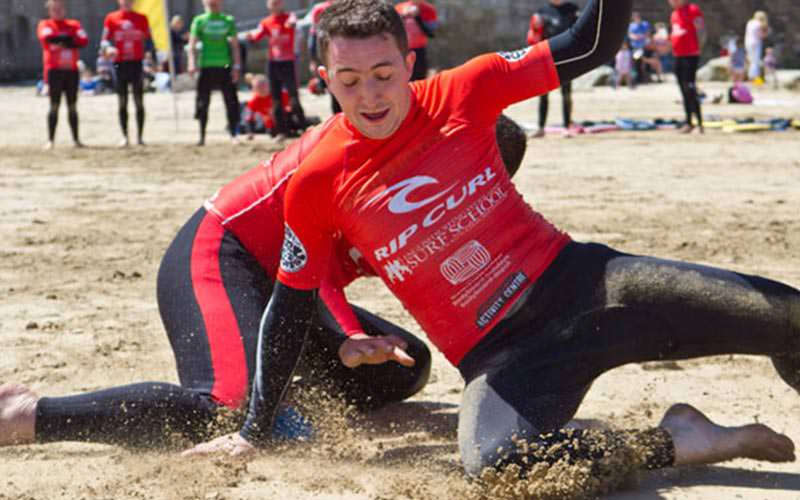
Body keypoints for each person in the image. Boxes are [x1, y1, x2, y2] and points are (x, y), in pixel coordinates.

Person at [183, 0, 799, 484]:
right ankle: (682, 440)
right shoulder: (316, 181)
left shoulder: (465, 90)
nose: (369, 95)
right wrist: (253, 430)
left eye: (382, 74)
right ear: (324, 80)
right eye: (349, 80)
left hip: (589, 289)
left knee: (789, 316)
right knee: (499, 468)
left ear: (409, 64)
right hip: (502, 358)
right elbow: (288, 307)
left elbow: (589, 43)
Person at [0, 111, 527, 450]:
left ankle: (275, 401)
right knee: (222, 409)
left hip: (287, 286)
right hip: (222, 253)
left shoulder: (443, 200)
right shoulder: (360, 162)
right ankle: (27, 415)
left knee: (403, 368)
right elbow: (302, 261)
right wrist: (346, 336)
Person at [247, 0, 308, 139]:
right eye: (272, 3)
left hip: (288, 61)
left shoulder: (289, 17)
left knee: (293, 96)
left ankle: (304, 127)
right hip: (273, 63)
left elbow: (293, 23)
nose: (275, 5)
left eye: (278, 2)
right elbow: (258, 35)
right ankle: (281, 131)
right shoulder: (266, 22)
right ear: (268, 5)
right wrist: (251, 37)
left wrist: (291, 25)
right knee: (275, 98)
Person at [188, 0, 242, 146]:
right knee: (202, 102)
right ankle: (202, 136)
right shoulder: (199, 20)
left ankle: (233, 134)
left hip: (224, 65)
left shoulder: (227, 20)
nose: (213, 3)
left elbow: (235, 45)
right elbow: (192, 44)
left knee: (231, 101)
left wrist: (236, 66)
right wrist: (191, 63)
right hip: (206, 66)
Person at [102, 0, 156, 147]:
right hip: (119, 64)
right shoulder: (111, 18)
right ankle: (125, 136)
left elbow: (149, 39)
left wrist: (152, 55)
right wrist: (108, 49)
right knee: (122, 101)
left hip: (136, 63)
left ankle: (140, 136)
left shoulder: (142, 18)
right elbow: (104, 41)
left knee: (139, 100)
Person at [37, 0, 88, 150]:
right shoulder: (45, 25)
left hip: (71, 70)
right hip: (54, 71)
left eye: (59, 8)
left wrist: (62, 42)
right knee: (54, 105)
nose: (57, 11)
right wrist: (70, 41)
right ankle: (51, 140)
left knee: (72, 106)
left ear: (64, 10)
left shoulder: (74, 24)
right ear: (49, 11)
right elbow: (47, 39)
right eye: (54, 9)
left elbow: (83, 41)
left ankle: (76, 139)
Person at [527, 0, 579, 138]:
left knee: (566, 93)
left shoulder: (572, 9)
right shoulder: (542, 11)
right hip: (546, 57)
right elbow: (534, 36)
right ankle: (541, 127)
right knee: (543, 94)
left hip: (567, 56)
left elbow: (579, 31)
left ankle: (566, 127)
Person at [669, 0, 705, 134]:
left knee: (689, 87)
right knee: (682, 90)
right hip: (678, 54)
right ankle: (688, 121)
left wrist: (698, 48)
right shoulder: (674, 14)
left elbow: (701, 30)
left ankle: (699, 123)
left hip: (691, 55)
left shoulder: (692, 10)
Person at [395, 0, 438, 81]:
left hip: (419, 50)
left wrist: (418, 17)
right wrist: (403, 16)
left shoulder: (428, 9)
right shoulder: (399, 8)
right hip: (401, 50)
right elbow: (392, 28)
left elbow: (431, 31)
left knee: (419, 79)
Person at [244, 74, 291, 139]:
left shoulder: (281, 94)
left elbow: (290, 108)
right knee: (272, 132)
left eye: (263, 86)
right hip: (271, 126)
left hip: (287, 122)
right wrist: (250, 132)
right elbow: (249, 118)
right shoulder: (254, 101)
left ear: (269, 85)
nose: (261, 89)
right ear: (254, 89)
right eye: (258, 87)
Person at [744, 11, 768, 82]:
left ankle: (751, 77)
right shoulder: (759, 24)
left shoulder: (750, 22)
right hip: (755, 43)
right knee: (755, 61)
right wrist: (766, 33)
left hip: (747, 42)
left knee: (751, 60)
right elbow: (760, 35)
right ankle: (754, 78)